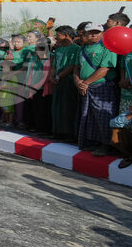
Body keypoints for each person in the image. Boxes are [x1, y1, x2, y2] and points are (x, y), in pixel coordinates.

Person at [75, 23, 119, 154]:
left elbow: (105, 69)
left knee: (103, 116)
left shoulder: (107, 47)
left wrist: (86, 83)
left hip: (102, 86)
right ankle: (91, 142)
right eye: (90, 32)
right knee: (88, 116)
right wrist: (78, 81)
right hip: (85, 87)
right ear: (85, 34)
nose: (93, 34)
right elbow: (76, 68)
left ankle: (106, 145)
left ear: (102, 33)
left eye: (97, 32)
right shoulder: (82, 49)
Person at [49, 26, 79, 141]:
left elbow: (72, 66)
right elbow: (55, 64)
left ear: (66, 35)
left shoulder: (76, 49)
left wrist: (58, 76)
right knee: (56, 106)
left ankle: (68, 133)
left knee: (67, 107)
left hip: (68, 80)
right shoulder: (59, 49)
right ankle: (57, 131)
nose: (56, 37)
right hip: (57, 80)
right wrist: (52, 75)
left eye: (58, 35)